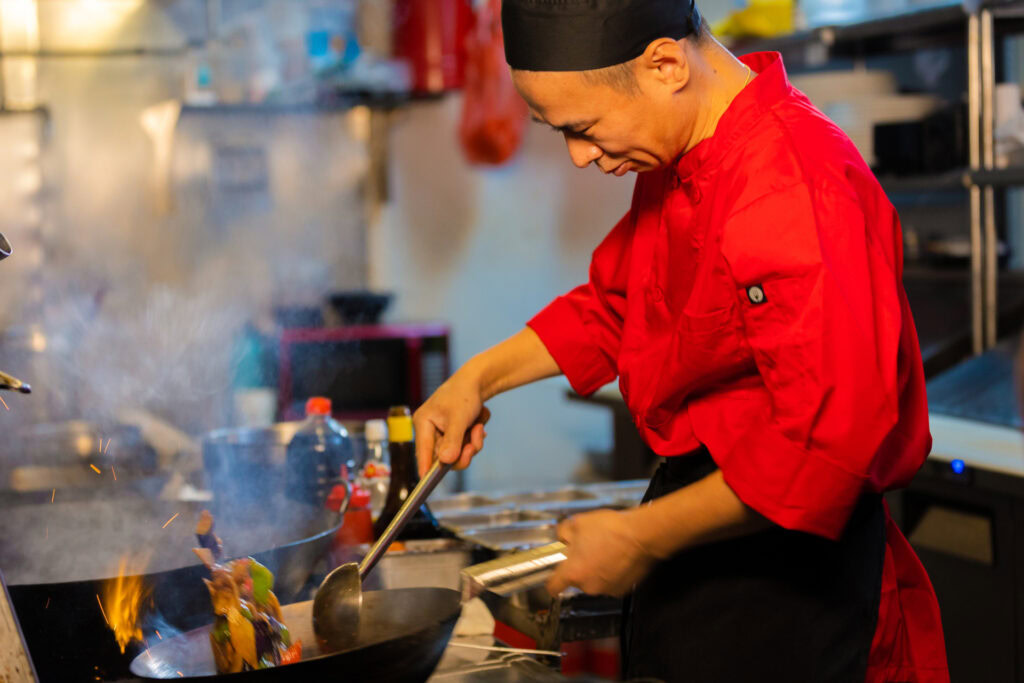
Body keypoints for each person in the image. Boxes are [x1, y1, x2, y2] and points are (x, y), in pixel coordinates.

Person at [413, 0, 949, 680]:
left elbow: (823, 450)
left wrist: (639, 535)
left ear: (664, 64)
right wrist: (476, 380)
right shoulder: (683, 157)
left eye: (583, 127)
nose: (579, 156)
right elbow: (617, 306)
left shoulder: (795, 183)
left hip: (794, 573)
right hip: (705, 533)